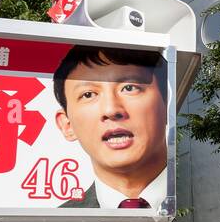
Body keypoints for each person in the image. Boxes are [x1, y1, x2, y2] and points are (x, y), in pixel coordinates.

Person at [53, 45, 168, 209]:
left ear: (167, 104)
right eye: (88, 94)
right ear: (67, 125)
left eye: (129, 88)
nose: (111, 110)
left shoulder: (215, 195)